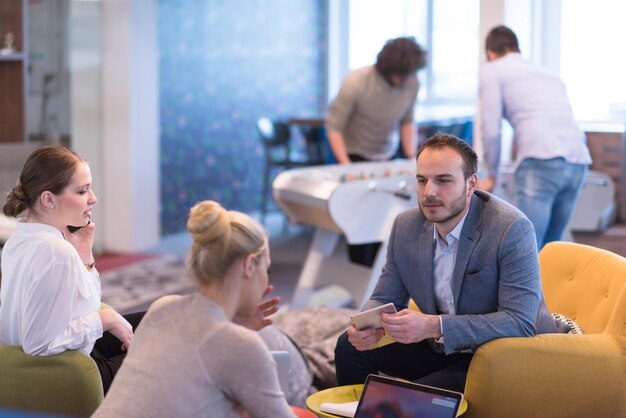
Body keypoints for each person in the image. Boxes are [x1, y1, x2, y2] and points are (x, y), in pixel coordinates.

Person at [334, 133, 558, 393]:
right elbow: (385, 297)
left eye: (443, 181)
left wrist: (432, 325)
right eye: (422, 180)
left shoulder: (510, 228)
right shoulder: (406, 226)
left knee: (416, 396)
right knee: (348, 348)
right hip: (438, 346)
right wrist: (364, 327)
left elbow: (519, 322)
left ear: (471, 184)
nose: (429, 192)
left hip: (498, 353)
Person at [93, 200, 296, 418]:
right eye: (266, 268)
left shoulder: (162, 309)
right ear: (249, 265)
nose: (265, 279)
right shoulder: (242, 346)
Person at [0, 145, 141, 394]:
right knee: (173, 350)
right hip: (73, 374)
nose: (93, 198)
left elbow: (85, 303)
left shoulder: (20, 240)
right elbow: (39, 344)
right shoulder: (54, 251)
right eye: (82, 190)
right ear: (48, 199)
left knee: (160, 320)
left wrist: (83, 255)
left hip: (72, 354)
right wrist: (104, 319)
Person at [477, 25, 592, 249]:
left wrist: (492, 174)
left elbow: (490, 128)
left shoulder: (492, 70)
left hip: (541, 160)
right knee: (552, 251)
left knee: (524, 250)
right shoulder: (549, 75)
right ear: (516, 48)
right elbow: (565, 118)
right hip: (578, 162)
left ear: (490, 53)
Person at [326, 36, 427, 267]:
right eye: (401, 75)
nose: (404, 80)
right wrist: (345, 164)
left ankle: (384, 274)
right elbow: (334, 126)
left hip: (386, 155)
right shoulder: (357, 82)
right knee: (360, 223)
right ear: (387, 68)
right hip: (355, 155)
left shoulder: (412, 82)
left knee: (386, 218)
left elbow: (407, 121)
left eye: (409, 74)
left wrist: (412, 157)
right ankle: (360, 273)